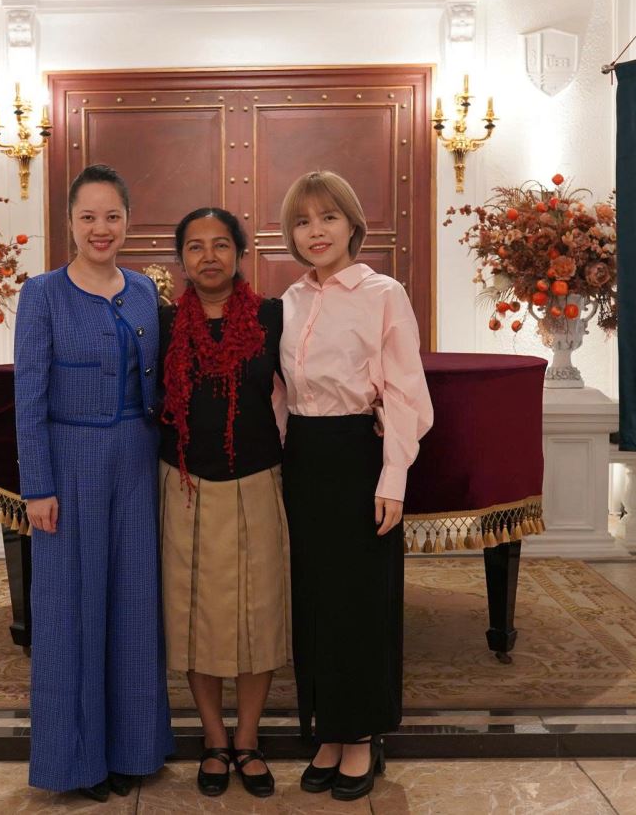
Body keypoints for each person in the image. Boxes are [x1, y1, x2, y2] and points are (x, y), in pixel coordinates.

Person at [14, 163, 173, 802]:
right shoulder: (42, 295)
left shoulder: (144, 292)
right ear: (70, 223)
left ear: (128, 221)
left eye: (112, 216)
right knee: (69, 610)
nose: (100, 228)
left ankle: (134, 749)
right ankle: (77, 762)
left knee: (135, 605)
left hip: (137, 461)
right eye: (88, 217)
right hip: (69, 462)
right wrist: (36, 485)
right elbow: (28, 396)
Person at [278, 170, 433, 802]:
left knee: (360, 601)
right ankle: (327, 730)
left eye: (328, 218)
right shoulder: (289, 300)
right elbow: (279, 392)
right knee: (313, 599)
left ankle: (362, 735)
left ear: (352, 224)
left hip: (358, 457)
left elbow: (405, 393)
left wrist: (393, 478)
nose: (315, 232)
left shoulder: (382, 293)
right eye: (302, 221)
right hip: (302, 458)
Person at [157, 207, 288, 799]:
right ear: (181, 261)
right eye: (194, 246)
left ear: (239, 254)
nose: (208, 256)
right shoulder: (162, 323)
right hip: (183, 483)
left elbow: (317, 382)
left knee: (258, 614)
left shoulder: (272, 317)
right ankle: (214, 740)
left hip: (256, 479)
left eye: (220, 245)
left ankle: (249, 739)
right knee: (193, 617)